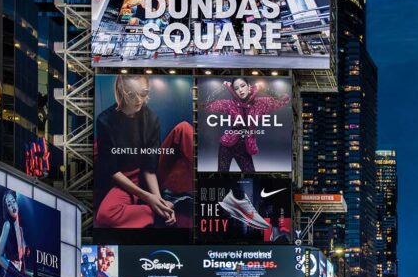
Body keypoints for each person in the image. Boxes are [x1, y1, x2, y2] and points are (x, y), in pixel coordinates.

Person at [94, 74, 193, 229]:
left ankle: (210, 184)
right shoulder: (105, 120)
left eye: (144, 93)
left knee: (184, 129)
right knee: (105, 216)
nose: (139, 100)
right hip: (127, 178)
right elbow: (113, 171)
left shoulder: (152, 118)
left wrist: (158, 199)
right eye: (132, 95)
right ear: (121, 90)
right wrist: (152, 202)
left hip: (152, 170)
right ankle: (159, 210)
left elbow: (150, 168)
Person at [202, 78, 291, 173]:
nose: (240, 90)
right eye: (236, 88)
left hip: (244, 148)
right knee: (222, 176)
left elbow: (284, 100)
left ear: (249, 86)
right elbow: (206, 105)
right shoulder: (229, 104)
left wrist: (264, 89)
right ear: (233, 90)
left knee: (251, 175)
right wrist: (223, 88)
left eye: (243, 86)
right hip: (226, 146)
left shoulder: (261, 103)